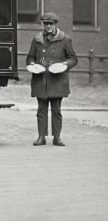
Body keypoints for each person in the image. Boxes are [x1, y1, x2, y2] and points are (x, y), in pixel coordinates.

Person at [26, 12, 78, 146]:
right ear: (43, 24)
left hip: (58, 81)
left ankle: (57, 137)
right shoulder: (36, 39)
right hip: (40, 80)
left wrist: (64, 65)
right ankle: (41, 137)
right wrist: (32, 65)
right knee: (41, 110)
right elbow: (30, 57)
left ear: (55, 25)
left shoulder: (65, 39)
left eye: (51, 24)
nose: (48, 27)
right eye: (46, 24)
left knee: (56, 110)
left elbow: (73, 59)